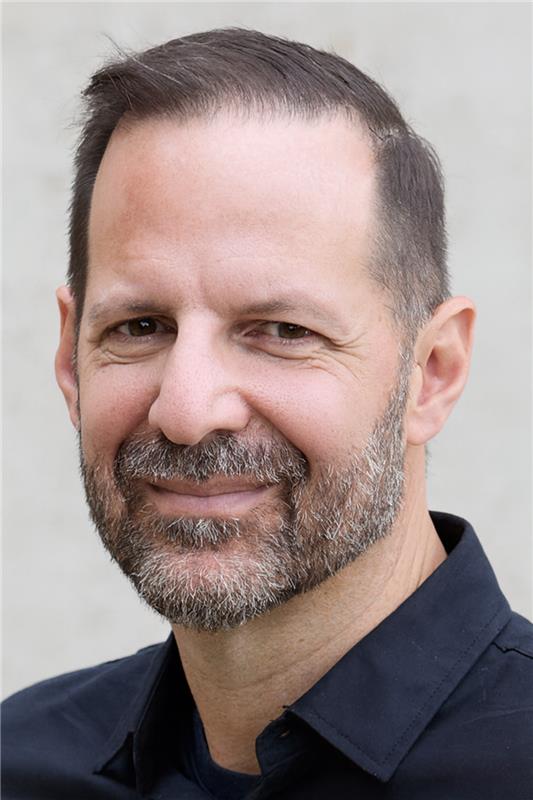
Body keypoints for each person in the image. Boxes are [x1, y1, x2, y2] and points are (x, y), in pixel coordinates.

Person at [2, 27, 532, 800]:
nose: (186, 411)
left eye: (282, 331)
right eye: (139, 327)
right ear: (69, 356)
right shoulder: (20, 765)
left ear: (432, 373)